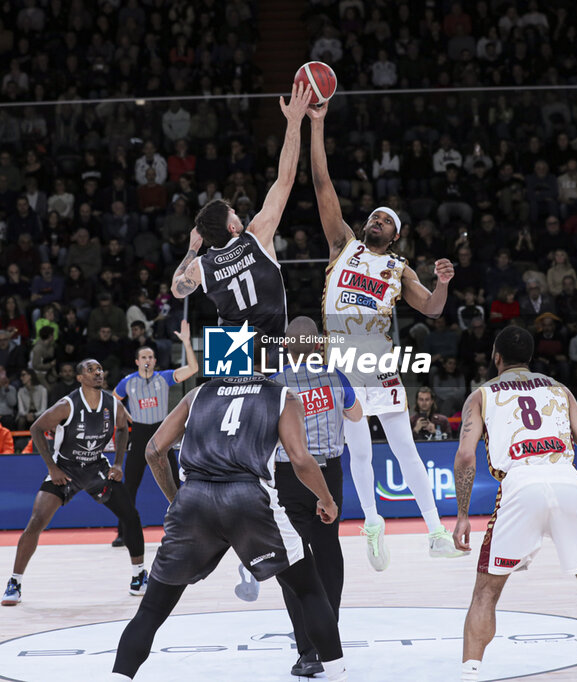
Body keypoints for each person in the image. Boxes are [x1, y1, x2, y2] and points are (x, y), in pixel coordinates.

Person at [110, 344, 347, 682]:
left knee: (151, 610)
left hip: (194, 500)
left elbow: (153, 450)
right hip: (248, 497)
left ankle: (119, 677)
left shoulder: (198, 394)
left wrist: (176, 500)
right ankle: (338, 674)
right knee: (309, 589)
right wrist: (326, 499)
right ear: (262, 363)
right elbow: (299, 458)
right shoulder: (282, 396)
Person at [308, 100, 462, 568]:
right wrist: (317, 127)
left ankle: (435, 530)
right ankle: (372, 524)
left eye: (386, 221)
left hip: (379, 366)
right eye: (374, 216)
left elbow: (433, 311)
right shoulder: (343, 246)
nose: (377, 221)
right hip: (342, 366)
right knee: (359, 454)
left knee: (405, 451)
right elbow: (321, 185)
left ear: (395, 236)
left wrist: (443, 283)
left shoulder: (399, 268)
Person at [453, 326, 577, 682]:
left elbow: (466, 456)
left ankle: (470, 674)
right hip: (566, 478)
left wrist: (463, 515)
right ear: (530, 359)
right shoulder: (559, 389)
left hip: (519, 483)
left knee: (486, 590)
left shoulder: (481, 395)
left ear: (496, 357)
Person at [236, 317, 362, 678]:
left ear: (287, 347)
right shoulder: (336, 376)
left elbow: (256, 436)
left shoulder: (273, 384)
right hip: (328, 473)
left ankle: (307, 652)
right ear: (320, 344)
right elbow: (356, 415)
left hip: (288, 476)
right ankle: (328, 637)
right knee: (328, 554)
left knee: (293, 561)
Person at [170, 83, 313, 337]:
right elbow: (286, 179)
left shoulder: (201, 266)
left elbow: (176, 290)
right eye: (232, 212)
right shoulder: (257, 236)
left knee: (214, 379)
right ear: (232, 227)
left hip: (229, 349)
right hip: (270, 346)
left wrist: (193, 248)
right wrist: (293, 121)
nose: (236, 209)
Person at [1, 359, 144, 605]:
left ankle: (139, 575)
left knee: (130, 515)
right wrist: (52, 467)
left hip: (96, 467)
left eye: (100, 369)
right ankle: (14, 582)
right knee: (36, 522)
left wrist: (119, 463)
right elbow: (36, 428)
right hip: (66, 469)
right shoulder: (67, 405)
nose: (98, 372)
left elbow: (122, 429)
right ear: (80, 378)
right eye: (91, 370)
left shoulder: (113, 403)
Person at [109, 320, 197, 558]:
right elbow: (113, 401)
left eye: (151, 357)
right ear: (137, 361)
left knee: (174, 485)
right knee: (129, 488)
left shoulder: (164, 377)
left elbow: (192, 370)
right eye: (143, 357)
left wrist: (187, 343)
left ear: (155, 361)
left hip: (161, 435)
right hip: (138, 435)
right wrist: (128, 418)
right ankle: (122, 533)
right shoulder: (127, 382)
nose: (147, 360)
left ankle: (185, 529)